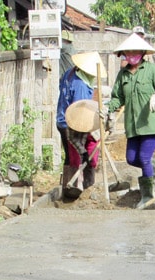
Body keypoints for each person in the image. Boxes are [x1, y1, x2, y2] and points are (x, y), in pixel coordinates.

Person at [105, 33, 155, 208]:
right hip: (133, 125)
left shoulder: (153, 70)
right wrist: (108, 108)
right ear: (124, 54)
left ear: (142, 52)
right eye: (128, 52)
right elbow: (117, 97)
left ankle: (147, 196)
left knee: (143, 157)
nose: (132, 54)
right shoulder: (123, 74)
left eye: (135, 51)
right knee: (131, 158)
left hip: (150, 123)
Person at [56, 51, 107, 198]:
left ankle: (67, 186)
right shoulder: (81, 86)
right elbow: (82, 112)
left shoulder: (70, 73)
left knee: (70, 154)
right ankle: (82, 187)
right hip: (74, 122)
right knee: (80, 153)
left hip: (62, 119)